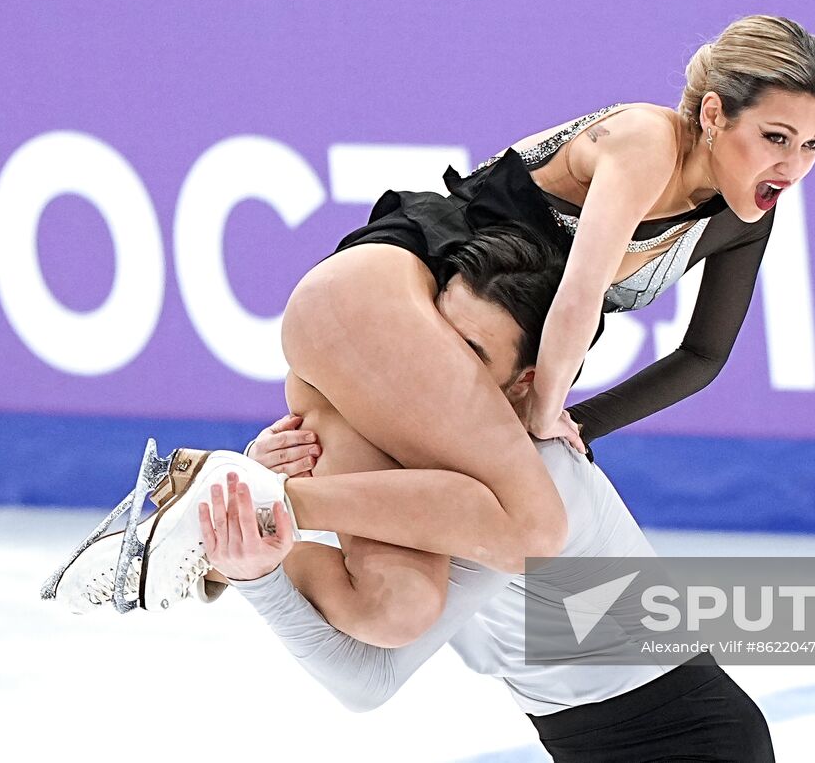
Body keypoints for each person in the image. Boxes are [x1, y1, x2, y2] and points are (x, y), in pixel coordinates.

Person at [47, 15, 815, 641]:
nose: (795, 166)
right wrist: (538, 414)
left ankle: (231, 517)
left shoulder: (743, 219)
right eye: (776, 137)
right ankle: (261, 497)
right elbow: (577, 297)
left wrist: (578, 424)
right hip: (381, 303)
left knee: (393, 607)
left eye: (814, 146)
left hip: (414, 377)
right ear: (711, 113)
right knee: (534, 526)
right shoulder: (645, 140)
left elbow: (702, 358)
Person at [196, 251, 775, 760]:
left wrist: (256, 559)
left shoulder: (530, 491)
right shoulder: (418, 455)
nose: (432, 366)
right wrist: (263, 472)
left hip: (692, 745)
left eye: (469, 354)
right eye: (434, 336)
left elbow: (367, 675)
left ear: (524, 381)